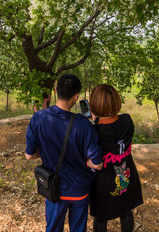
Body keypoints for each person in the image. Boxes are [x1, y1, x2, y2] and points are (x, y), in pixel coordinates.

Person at [26, 74, 103, 232]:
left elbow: (30, 155)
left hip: (54, 189)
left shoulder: (38, 118)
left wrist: (48, 151)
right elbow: (97, 164)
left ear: (55, 90)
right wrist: (82, 160)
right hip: (79, 190)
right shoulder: (84, 125)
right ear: (76, 97)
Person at [89, 84, 143, 232]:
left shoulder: (93, 131)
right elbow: (113, 125)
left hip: (103, 183)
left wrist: (94, 121)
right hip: (127, 176)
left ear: (93, 105)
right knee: (126, 211)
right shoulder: (127, 120)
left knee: (100, 217)